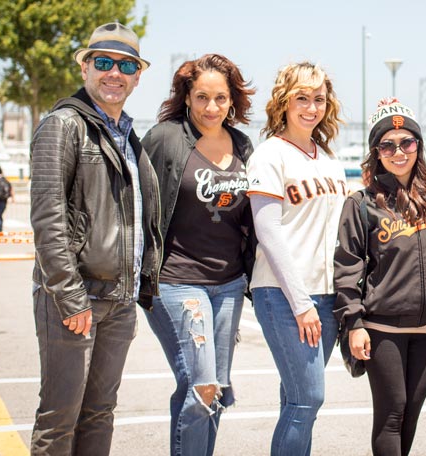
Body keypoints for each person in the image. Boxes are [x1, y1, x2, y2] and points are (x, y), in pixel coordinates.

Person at [29, 22, 162, 455]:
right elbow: (48, 218)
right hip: (75, 298)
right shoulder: (63, 124)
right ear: (85, 67)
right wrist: (70, 296)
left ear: (138, 76)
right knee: (59, 417)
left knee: (100, 413)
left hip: (119, 301)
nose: (113, 73)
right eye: (103, 62)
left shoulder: (127, 136)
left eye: (125, 66)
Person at [141, 53, 256, 456]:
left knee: (216, 390)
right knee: (201, 382)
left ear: (232, 101)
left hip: (228, 285)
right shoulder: (164, 139)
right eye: (202, 97)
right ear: (187, 97)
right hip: (176, 281)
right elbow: (136, 205)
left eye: (220, 99)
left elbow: (253, 218)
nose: (211, 107)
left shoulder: (243, 144)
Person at [334, 98, 426, 456]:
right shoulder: (362, 202)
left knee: (411, 413)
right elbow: (347, 264)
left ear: (418, 146)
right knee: (391, 412)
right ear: (376, 152)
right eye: (388, 144)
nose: (398, 152)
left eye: (407, 143)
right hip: (382, 327)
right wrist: (354, 323)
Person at [246, 61, 347, 456]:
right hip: (284, 294)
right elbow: (268, 231)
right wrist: (301, 303)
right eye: (301, 98)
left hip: (326, 297)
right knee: (308, 399)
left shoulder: (329, 159)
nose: (311, 107)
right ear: (284, 103)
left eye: (318, 98)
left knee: (297, 401)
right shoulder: (270, 155)